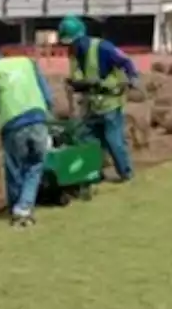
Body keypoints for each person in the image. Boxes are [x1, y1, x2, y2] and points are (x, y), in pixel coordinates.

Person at [0, 42, 55, 227]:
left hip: (13, 124)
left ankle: (16, 209)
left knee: (14, 168)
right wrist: (48, 112)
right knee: (34, 165)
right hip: (38, 119)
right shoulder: (26, 62)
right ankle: (24, 207)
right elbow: (47, 94)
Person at [57, 14, 139, 183]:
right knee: (87, 140)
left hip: (109, 101)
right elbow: (79, 77)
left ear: (81, 37)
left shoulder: (103, 47)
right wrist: (74, 84)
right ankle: (94, 173)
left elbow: (125, 61)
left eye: (72, 43)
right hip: (90, 103)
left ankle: (126, 173)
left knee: (113, 140)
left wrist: (133, 78)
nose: (70, 47)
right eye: (68, 44)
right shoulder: (73, 54)